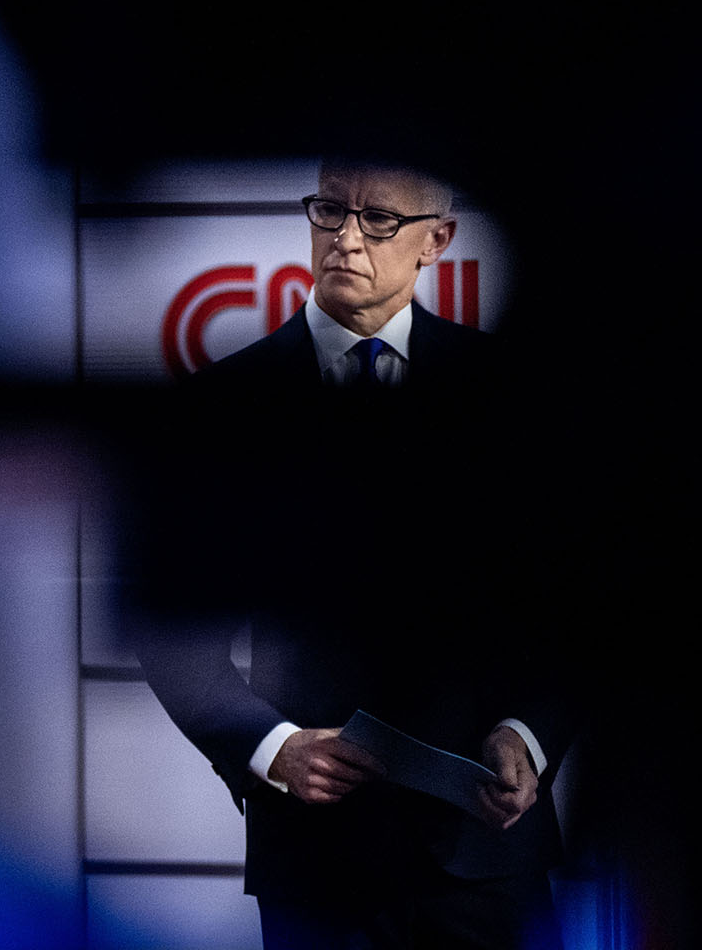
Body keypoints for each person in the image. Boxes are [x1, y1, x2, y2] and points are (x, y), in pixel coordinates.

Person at [134, 157, 569, 949]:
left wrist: (529, 735)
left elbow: (580, 601)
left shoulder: (512, 396)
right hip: (315, 860)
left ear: (436, 241)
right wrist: (272, 748)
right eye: (329, 212)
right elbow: (168, 632)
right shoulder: (222, 406)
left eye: (378, 221)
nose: (345, 239)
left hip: (488, 855)